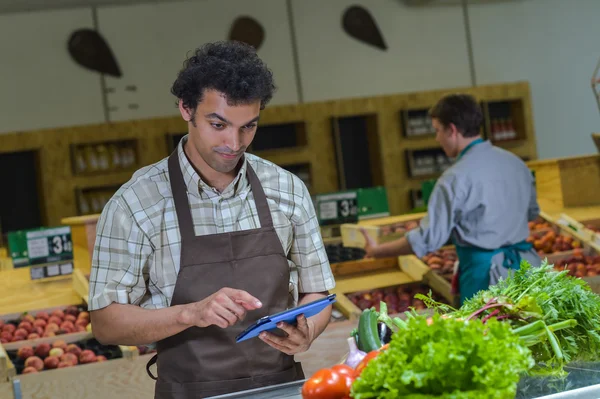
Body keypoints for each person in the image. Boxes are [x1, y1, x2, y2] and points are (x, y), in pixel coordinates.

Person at [88, 41, 335, 398]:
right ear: (186, 109)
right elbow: (106, 323)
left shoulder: (287, 190)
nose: (234, 143)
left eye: (248, 127)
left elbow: (318, 290)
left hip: (281, 388)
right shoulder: (135, 204)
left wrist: (307, 330)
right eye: (218, 124)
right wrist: (190, 313)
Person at [362, 94, 541, 305]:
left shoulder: (454, 178)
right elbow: (532, 212)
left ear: (452, 130)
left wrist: (377, 251)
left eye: (437, 130)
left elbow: (429, 238)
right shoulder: (516, 163)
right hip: (529, 270)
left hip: (486, 279)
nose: (437, 138)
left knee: (488, 336)